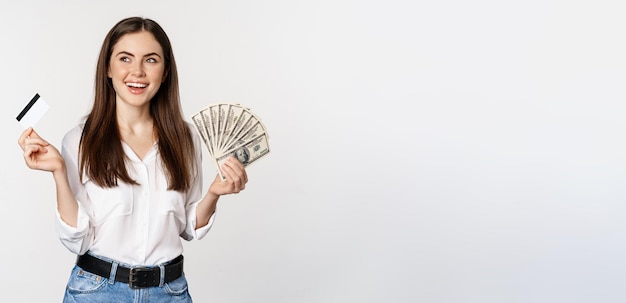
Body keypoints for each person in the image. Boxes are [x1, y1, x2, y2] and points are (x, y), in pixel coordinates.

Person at [17, 16, 248, 302]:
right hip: (97, 292)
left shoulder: (185, 138)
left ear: (165, 72)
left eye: (150, 60)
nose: (136, 72)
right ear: (107, 68)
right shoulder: (79, 140)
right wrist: (59, 172)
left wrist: (214, 192)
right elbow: (77, 239)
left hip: (170, 292)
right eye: (125, 58)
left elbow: (188, 227)